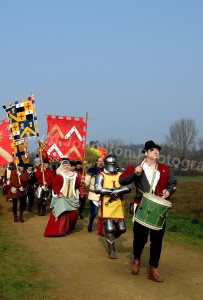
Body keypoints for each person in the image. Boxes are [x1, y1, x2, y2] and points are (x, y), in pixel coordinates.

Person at [119, 140, 177, 282]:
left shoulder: (165, 169)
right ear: (146, 153)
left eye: (157, 150)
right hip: (142, 206)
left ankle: (153, 268)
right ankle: (137, 259)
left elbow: (173, 184)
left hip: (159, 209)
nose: (156, 151)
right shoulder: (137, 167)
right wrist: (134, 174)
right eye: (152, 149)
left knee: (157, 240)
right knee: (140, 238)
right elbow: (122, 181)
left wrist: (168, 192)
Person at [95, 153, 131, 259]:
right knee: (109, 227)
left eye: (113, 163)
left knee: (122, 228)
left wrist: (118, 191)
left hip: (118, 203)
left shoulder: (121, 174)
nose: (112, 165)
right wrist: (110, 191)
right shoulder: (101, 175)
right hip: (107, 203)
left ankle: (112, 237)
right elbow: (97, 188)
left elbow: (128, 187)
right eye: (110, 163)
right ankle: (112, 250)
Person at [44, 159, 80, 237]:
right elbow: (54, 184)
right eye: (65, 165)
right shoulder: (59, 175)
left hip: (71, 197)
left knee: (74, 213)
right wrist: (58, 193)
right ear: (62, 166)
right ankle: (59, 231)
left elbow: (77, 186)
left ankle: (69, 228)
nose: (67, 167)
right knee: (61, 213)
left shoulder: (74, 175)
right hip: (62, 197)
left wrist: (80, 181)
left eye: (68, 165)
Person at [85, 157, 104, 234]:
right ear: (96, 162)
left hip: (104, 194)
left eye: (102, 161)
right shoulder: (91, 170)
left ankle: (102, 229)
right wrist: (84, 182)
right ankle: (90, 223)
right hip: (94, 194)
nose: (101, 162)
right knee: (94, 212)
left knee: (103, 213)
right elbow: (87, 182)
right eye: (99, 161)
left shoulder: (106, 170)